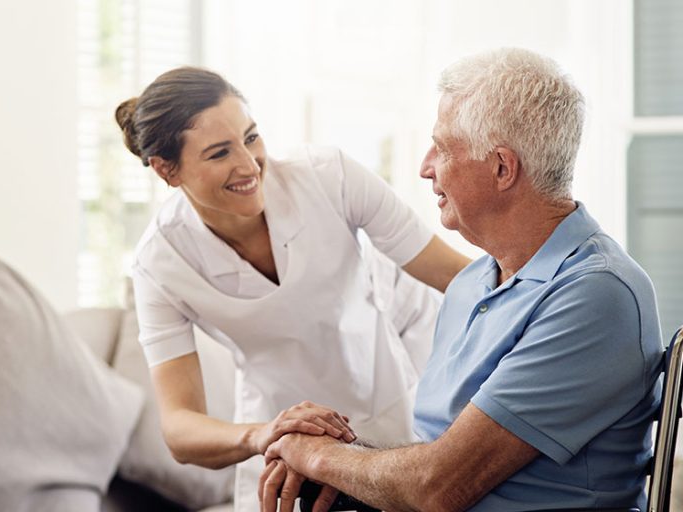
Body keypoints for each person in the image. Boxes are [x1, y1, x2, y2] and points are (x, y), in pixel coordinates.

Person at [260, 47, 664, 512]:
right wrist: (325, 454)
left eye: (443, 147)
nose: (425, 166)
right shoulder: (471, 283)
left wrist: (316, 454)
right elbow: (434, 457)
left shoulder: (597, 294)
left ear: (501, 168)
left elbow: (438, 486)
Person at [114, 67, 470, 511]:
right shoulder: (160, 263)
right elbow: (180, 429)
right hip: (284, 450)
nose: (248, 165)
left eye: (251, 137)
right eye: (219, 153)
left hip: (387, 411)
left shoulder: (328, 176)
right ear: (167, 170)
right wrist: (265, 433)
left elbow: (458, 276)